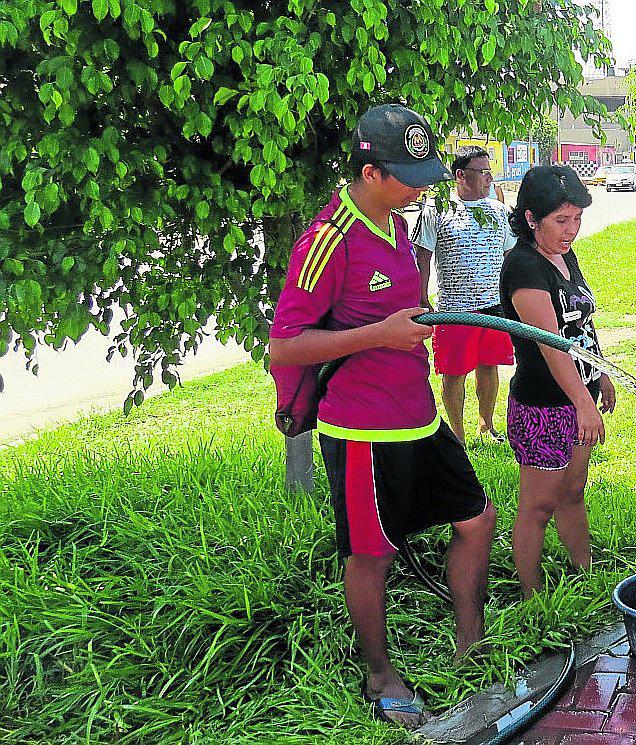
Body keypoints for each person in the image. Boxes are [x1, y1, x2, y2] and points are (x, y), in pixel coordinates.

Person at [268, 104, 497, 727]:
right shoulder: (328, 240)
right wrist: (379, 334)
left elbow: (397, 308)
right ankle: (379, 673)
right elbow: (284, 347)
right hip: (361, 427)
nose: (419, 188)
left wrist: (414, 323)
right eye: (406, 177)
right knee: (372, 554)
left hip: (419, 416)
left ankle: (471, 642)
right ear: (369, 173)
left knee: (477, 519)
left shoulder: (398, 224)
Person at [499, 165, 616, 598]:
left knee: (573, 492)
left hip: (578, 397)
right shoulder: (524, 267)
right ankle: (530, 595)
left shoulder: (564, 254)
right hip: (544, 407)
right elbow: (552, 346)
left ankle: (585, 574)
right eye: (561, 220)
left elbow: (581, 323)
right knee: (538, 505)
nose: (572, 230)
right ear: (531, 218)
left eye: (578, 218)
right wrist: (583, 404)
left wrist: (601, 373)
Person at [413, 145, 517, 444]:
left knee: (490, 365)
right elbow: (422, 256)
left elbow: (509, 255)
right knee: (454, 372)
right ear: (460, 175)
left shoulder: (498, 211)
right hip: (455, 309)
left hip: (494, 306)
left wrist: (512, 296)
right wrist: (422, 297)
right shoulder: (437, 209)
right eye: (482, 172)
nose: (488, 179)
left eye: (489, 172)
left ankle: (487, 425)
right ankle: (457, 435)